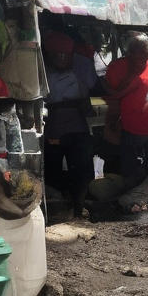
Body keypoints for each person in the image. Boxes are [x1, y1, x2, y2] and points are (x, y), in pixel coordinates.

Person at [104, 34, 148, 215]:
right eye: (134, 52)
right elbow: (110, 93)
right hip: (130, 128)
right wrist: (112, 120)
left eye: (144, 53)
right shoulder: (118, 67)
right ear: (129, 52)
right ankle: (131, 206)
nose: (138, 57)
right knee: (129, 169)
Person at [42, 28, 98, 218]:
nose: (62, 58)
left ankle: (79, 207)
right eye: (57, 55)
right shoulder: (39, 65)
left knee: (82, 168)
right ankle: (57, 209)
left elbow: (91, 85)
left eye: (66, 54)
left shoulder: (82, 64)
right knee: (52, 170)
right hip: (51, 126)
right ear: (49, 55)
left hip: (77, 124)